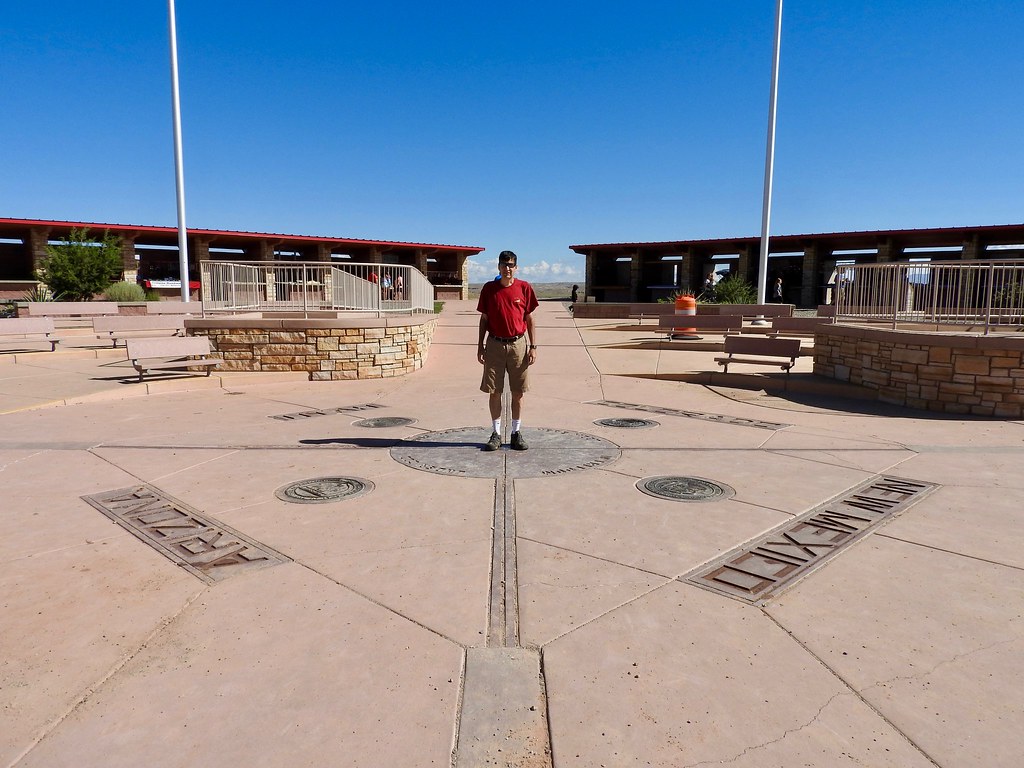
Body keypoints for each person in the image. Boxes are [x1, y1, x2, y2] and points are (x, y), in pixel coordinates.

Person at [477, 250, 539, 451]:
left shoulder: (524, 288)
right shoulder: (489, 289)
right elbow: (484, 319)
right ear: (498, 267)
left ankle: (515, 433)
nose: (507, 268)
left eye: (511, 265)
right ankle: (495, 433)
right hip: (494, 344)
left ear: (516, 267)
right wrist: (480, 345)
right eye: (504, 265)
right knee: (494, 391)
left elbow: (529, 319)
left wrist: (533, 346)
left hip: (518, 344)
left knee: (518, 391)